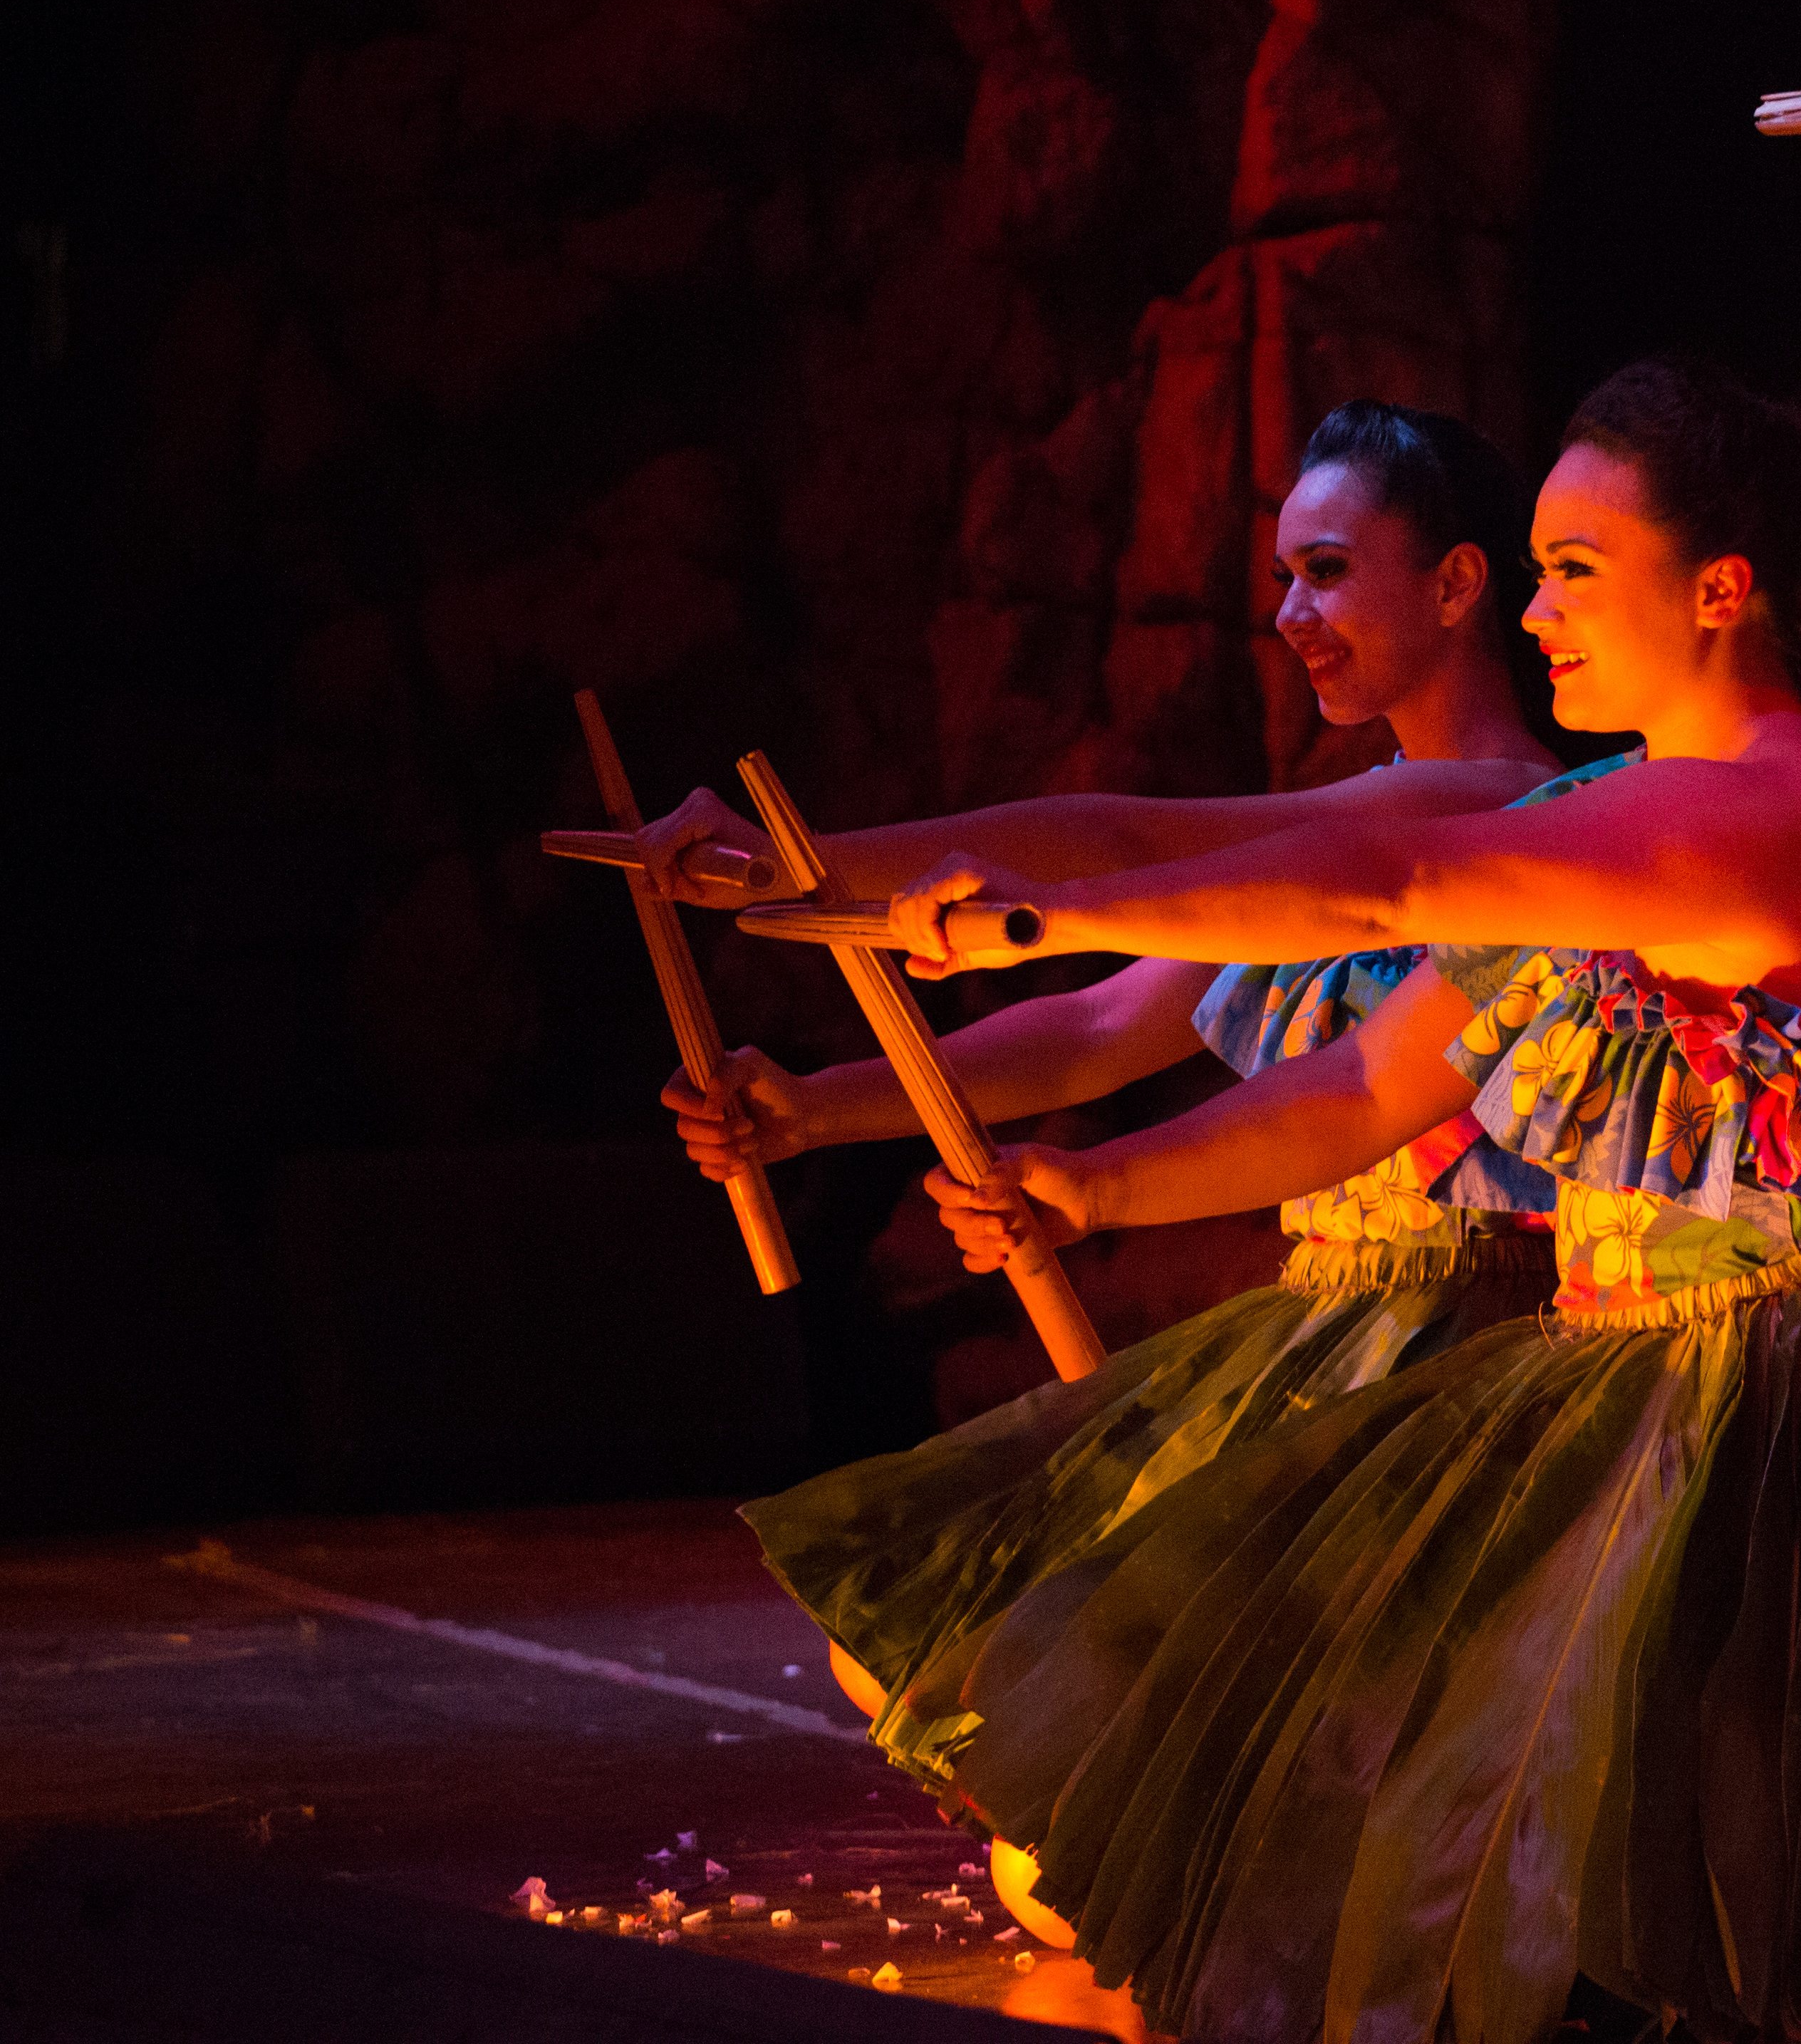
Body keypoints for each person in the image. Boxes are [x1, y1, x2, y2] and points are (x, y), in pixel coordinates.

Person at [744, 361, 1801, 2044]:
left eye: (1572, 572)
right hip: (1637, 1360)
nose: (1536, 617)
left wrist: (1043, 911)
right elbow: (1371, 1087)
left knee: (1630, 1901)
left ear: (1722, 590)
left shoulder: (1769, 809)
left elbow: (1377, 876)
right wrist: (1093, 1185)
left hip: (1791, 1396)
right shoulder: (1598, 821)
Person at [628, 400, 1587, 1940]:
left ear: (1465, 583)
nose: (1291, 617)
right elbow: (1093, 1022)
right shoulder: (1330, 841)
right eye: (1284, 577)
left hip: (1464, 1343)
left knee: (1100, 1795)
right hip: (1331, 1314)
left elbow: (1126, 841)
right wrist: (814, 1104)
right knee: (932, 1637)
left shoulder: (1504, 813)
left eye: (1328, 571)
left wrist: (797, 855)